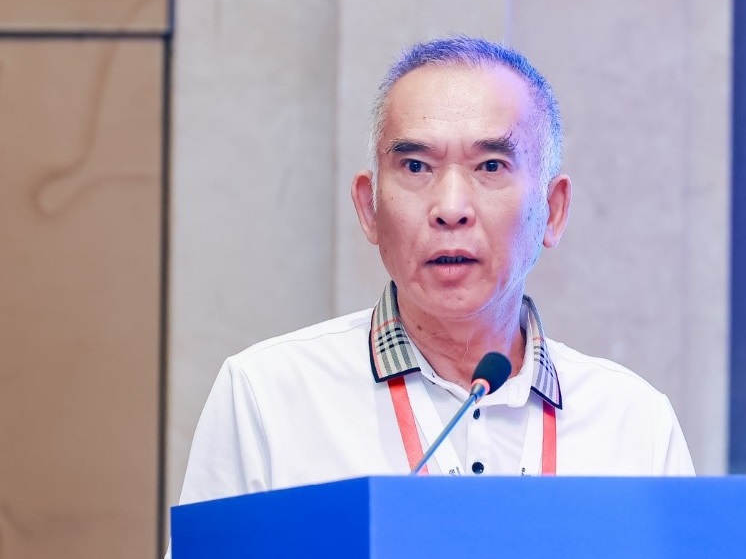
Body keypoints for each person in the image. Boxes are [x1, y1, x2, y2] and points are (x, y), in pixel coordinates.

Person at [175, 35, 694, 515]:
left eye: (490, 166)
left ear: (552, 211)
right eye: (416, 167)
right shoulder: (268, 397)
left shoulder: (635, 424)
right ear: (369, 207)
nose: (450, 208)